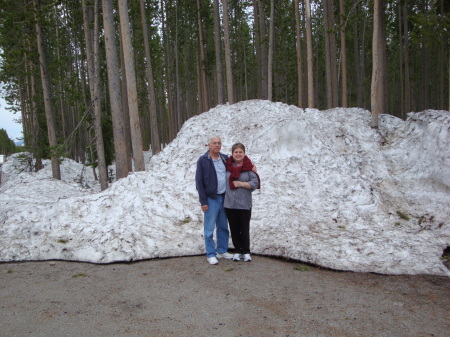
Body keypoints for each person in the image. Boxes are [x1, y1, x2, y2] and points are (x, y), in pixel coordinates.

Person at [195, 136, 234, 265]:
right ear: (209, 145)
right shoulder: (203, 160)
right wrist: (203, 201)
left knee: (223, 226)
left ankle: (222, 250)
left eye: (219, 143)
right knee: (209, 228)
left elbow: (240, 163)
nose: (217, 145)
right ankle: (211, 253)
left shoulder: (225, 158)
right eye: (214, 143)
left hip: (224, 197)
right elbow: (199, 182)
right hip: (211, 199)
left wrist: (252, 167)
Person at [224, 143, 260, 262]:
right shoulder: (227, 166)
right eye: (236, 152)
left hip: (244, 203)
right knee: (234, 228)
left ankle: (246, 251)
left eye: (240, 152)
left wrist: (241, 184)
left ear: (244, 153)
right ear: (232, 154)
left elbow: (255, 184)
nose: (238, 154)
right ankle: (237, 250)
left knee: (244, 228)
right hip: (230, 203)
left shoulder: (249, 167)